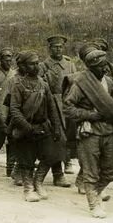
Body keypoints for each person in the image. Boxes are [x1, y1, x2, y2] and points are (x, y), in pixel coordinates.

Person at [64, 49, 113, 217]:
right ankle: (93, 204)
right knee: (90, 171)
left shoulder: (108, 81)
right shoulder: (80, 83)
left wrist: (111, 108)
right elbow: (68, 107)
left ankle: (95, 191)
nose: (105, 69)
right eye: (101, 66)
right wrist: (90, 115)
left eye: (105, 65)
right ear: (91, 67)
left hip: (107, 130)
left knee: (112, 169)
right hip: (89, 132)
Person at [8, 50, 65, 202]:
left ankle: (38, 182)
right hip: (25, 128)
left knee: (50, 156)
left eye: (37, 63)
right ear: (24, 67)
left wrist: (57, 128)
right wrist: (27, 127)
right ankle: (28, 189)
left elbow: (52, 108)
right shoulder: (18, 85)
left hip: (43, 126)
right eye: (32, 64)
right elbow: (14, 109)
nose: (36, 66)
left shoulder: (44, 85)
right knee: (27, 160)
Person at [41, 34, 76, 186]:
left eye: (60, 47)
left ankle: (68, 161)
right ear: (49, 48)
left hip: (69, 103)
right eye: (55, 47)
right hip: (52, 104)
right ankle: (58, 174)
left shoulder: (69, 64)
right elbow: (41, 86)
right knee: (57, 137)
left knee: (70, 135)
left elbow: (75, 82)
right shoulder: (44, 65)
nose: (58, 49)